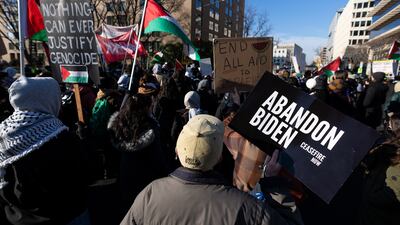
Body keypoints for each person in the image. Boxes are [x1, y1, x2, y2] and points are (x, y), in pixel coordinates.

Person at [120, 114, 304, 225]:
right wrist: (274, 185)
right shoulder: (245, 207)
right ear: (220, 157)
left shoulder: (150, 194)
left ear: (177, 150)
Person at [0, 77, 89, 224]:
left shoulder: (4, 131)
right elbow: (85, 175)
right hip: (65, 216)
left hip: (19, 217)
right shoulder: (61, 136)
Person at [107, 89, 168, 217]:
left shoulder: (119, 124)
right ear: (145, 108)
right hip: (146, 178)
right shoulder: (150, 128)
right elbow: (158, 159)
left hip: (126, 174)